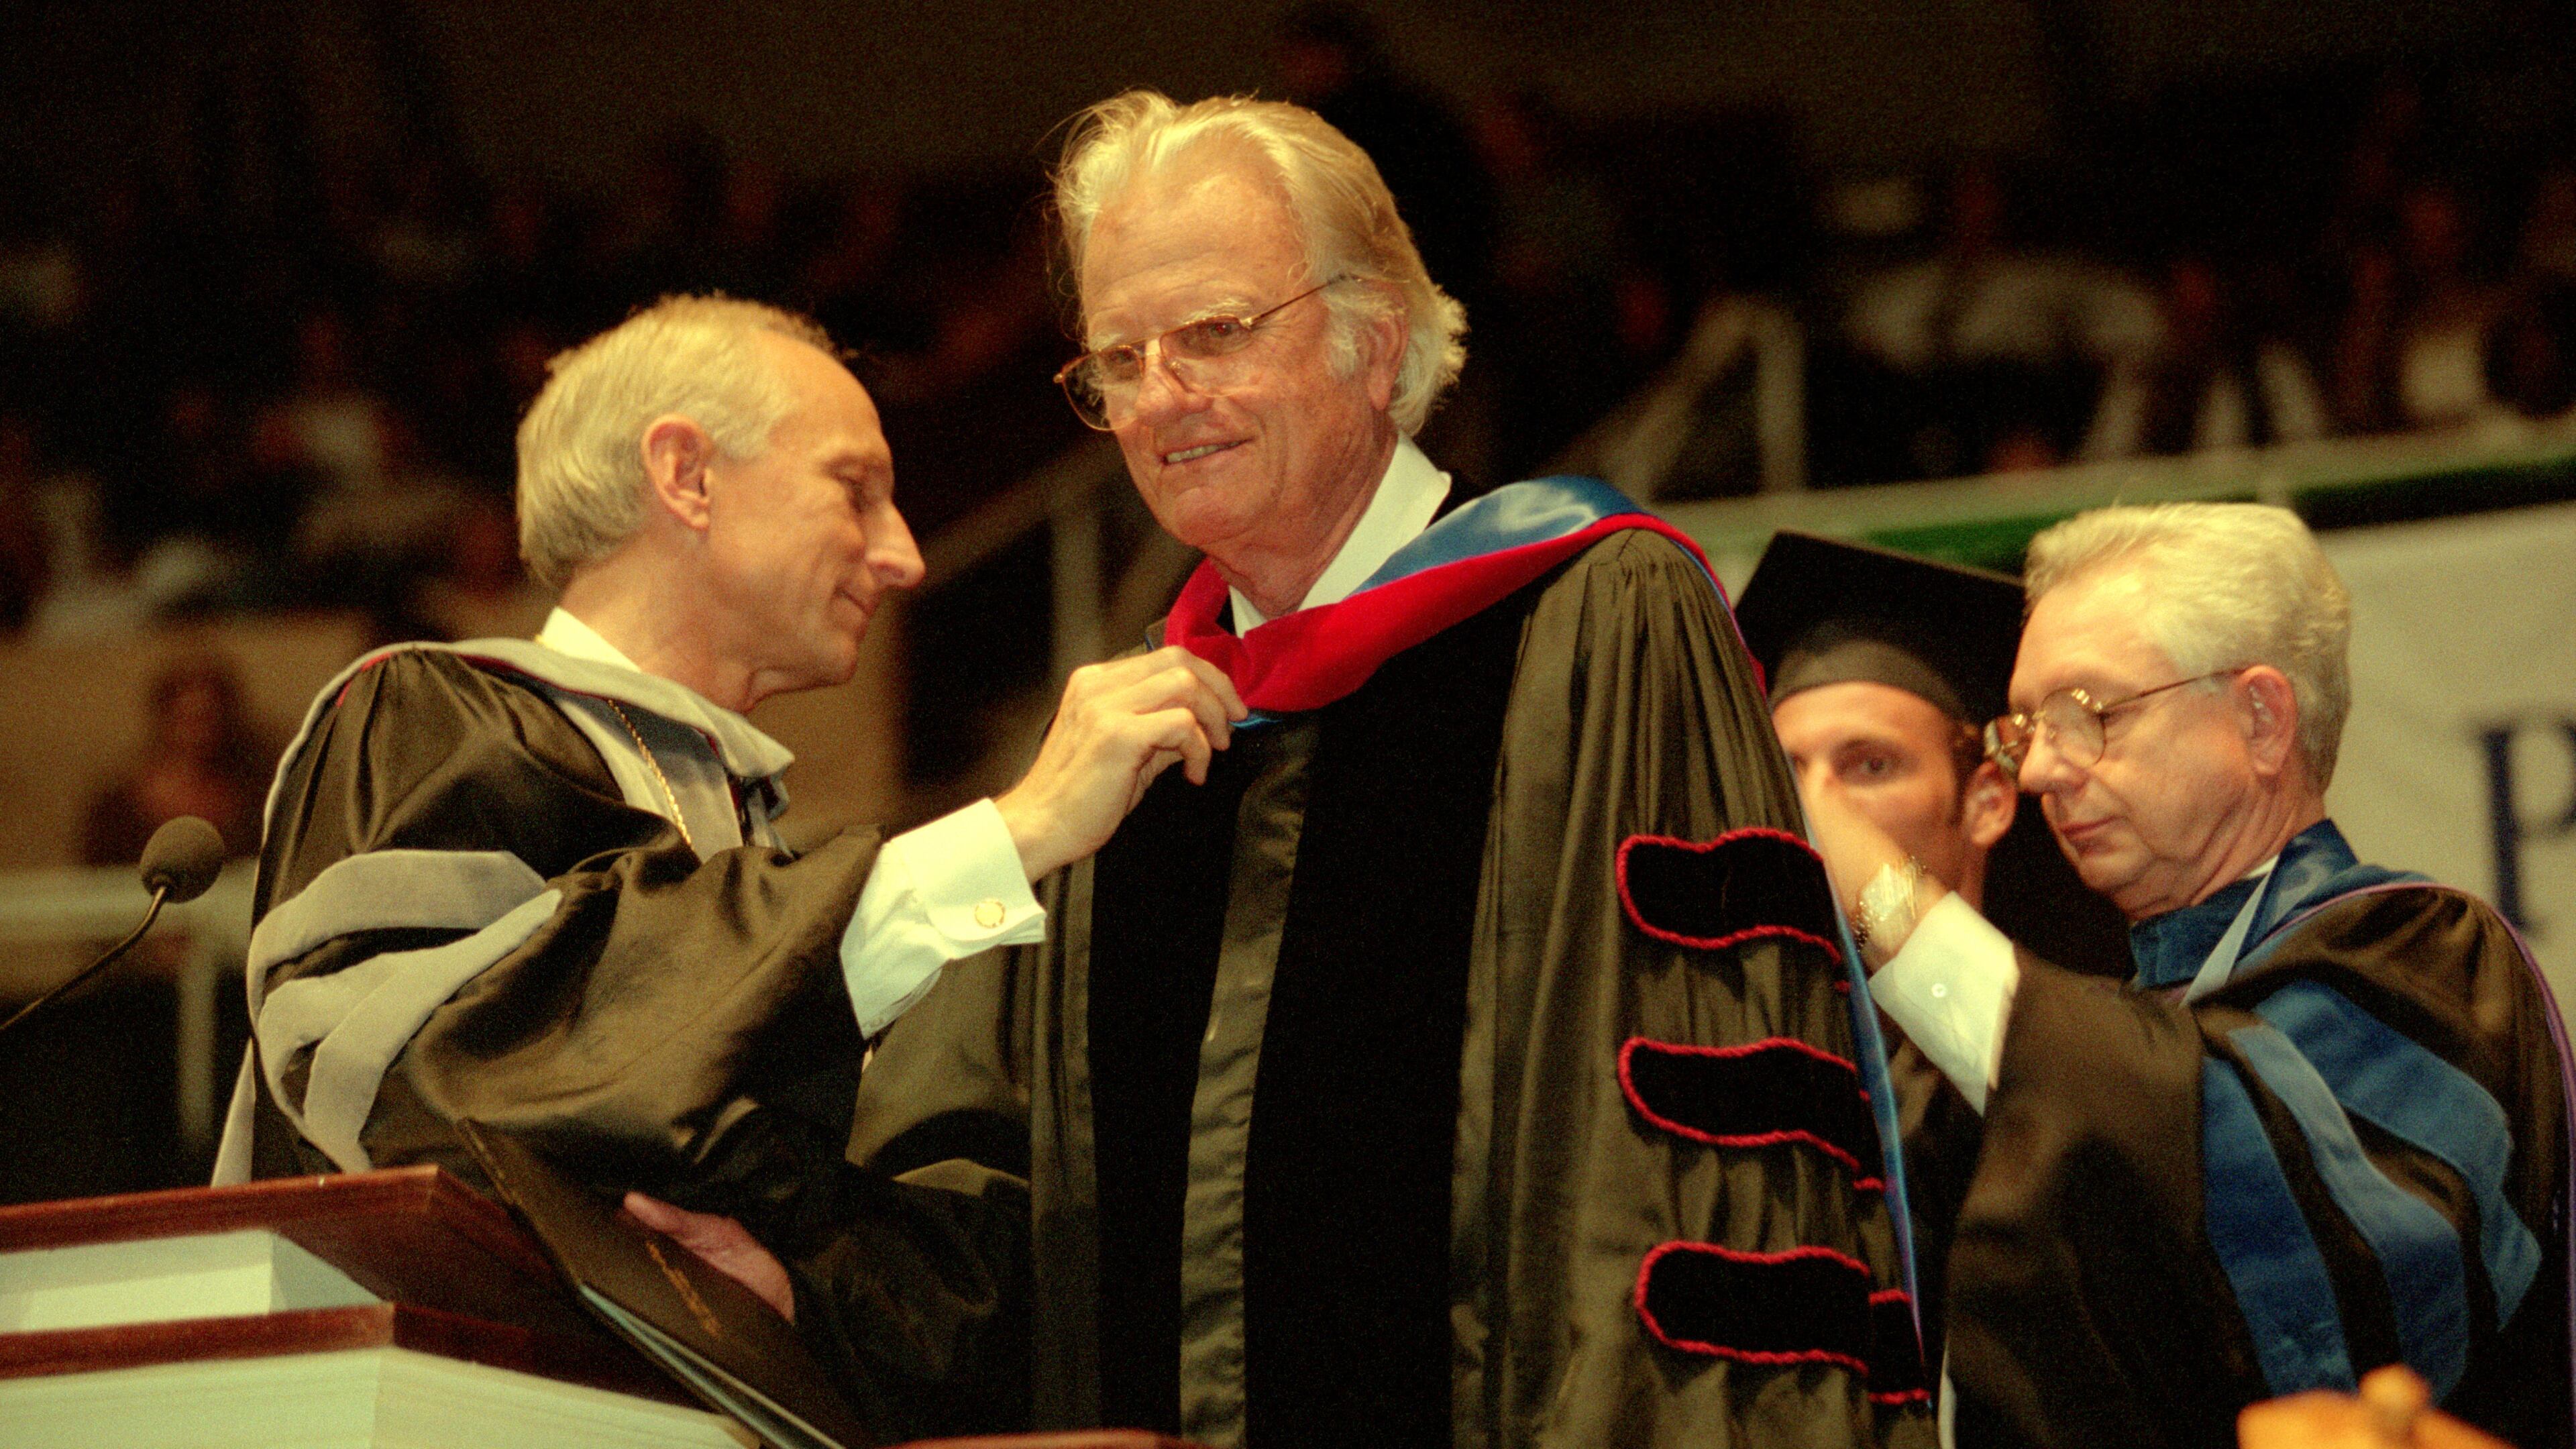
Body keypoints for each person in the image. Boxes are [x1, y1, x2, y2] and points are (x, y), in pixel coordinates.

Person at [846, 93, 1931, 1449]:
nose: (1163, 395)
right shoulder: (1124, 744)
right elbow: (988, 1217)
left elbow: (1688, 1176)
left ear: (1376, 340)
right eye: (1119, 359)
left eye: (1218, 332)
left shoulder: (1593, 624)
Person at [210, 294, 1244, 1437]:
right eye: (855, 489)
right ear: (686, 476)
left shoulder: (772, 868)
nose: (902, 555)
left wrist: (796, 1293)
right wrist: (1013, 833)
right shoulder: (423, 719)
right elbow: (418, 1075)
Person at [1799, 502, 2573, 1449]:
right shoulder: (2145, 1007)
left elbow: (2310, 1258)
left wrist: (1863, 872)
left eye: (2088, 715)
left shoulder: (2425, 956)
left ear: (2260, 718)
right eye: (2029, 726)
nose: (2041, 767)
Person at [1734, 531, 2131, 1376]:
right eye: (1784, 771)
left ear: (1989, 801)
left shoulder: (2089, 1064)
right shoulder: (1731, 1073)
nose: (1814, 815)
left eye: (1870, 765)